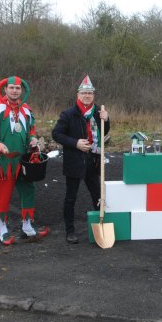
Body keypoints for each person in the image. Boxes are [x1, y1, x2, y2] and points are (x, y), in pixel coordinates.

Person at [0, 75, 48, 245]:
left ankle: (27, 225)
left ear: (21, 90)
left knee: (28, 189)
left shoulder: (26, 109)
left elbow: (31, 129)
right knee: (4, 192)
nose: (15, 91)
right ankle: (3, 228)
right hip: (4, 160)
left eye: (18, 88)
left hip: (24, 159)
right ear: (5, 89)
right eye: (11, 88)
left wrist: (32, 138)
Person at [51, 75, 111, 244]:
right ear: (78, 95)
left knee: (97, 195)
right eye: (84, 93)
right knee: (71, 197)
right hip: (74, 161)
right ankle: (70, 231)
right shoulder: (68, 114)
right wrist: (75, 143)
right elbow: (56, 134)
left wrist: (106, 120)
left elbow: (104, 131)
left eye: (90, 93)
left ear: (93, 95)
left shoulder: (98, 112)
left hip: (93, 161)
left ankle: (100, 226)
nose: (87, 96)